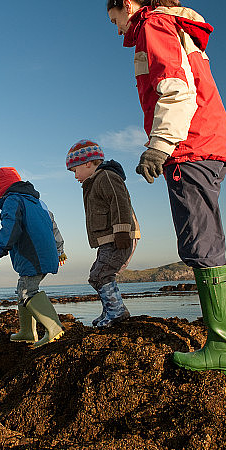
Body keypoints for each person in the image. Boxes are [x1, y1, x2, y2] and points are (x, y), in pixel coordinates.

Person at [106, 0, 226, 374]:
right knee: (210, 240)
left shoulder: (154, 26)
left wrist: (159, 146)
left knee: (199, 243)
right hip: (211, 143)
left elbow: (175, 90)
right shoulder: (176, 26)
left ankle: (222, 348)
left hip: (189, 147)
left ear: (127, 4)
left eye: (114, 19)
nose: (116, 29)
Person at [0, 167, 66, 348]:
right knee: (22, 288)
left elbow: (10, 229)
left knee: (27, 291)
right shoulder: (39, 202)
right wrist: (60, 250)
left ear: (0, 187)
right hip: (45, 253)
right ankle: (27, 332)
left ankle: (54, 328)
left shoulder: (12, 201)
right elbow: (53, 226)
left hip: (32, 254)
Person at [66, 140, 140, 327]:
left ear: (87, 163)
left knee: (101, 274)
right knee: (97, 275)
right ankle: (110, 309)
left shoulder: (106, 176)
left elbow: (119, 202)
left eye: (75, 170)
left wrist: (122, 231)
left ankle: (116, 311)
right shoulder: (94, 182)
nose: (75, 176)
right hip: (108, 240)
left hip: (118, 237)